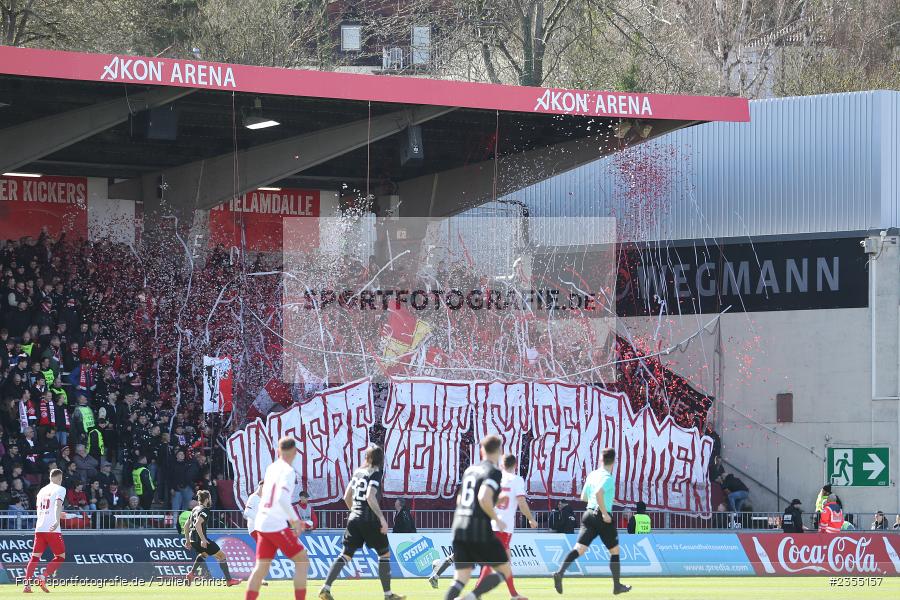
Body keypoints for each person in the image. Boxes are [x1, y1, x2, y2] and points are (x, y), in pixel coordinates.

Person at [319, 445, 404, 600]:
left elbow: (346, 497)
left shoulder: (357, 472)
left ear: (367, 457)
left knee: (345, 555)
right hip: (369, 519)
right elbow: (370, 497)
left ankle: (325, 588)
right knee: (384, 554)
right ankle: (388, 595)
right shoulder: (376, 473)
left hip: (354, 517)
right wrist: (382, 519)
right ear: (381, 459)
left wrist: (355, 512)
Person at [553, 448, 630, 596]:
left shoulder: (593, 474)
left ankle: (560, 572)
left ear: (600, 460)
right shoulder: (608, 477)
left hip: (588, 514)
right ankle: (616, 586)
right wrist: (605, 512)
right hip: (601, 517)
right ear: (614, 461)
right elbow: (598, 493)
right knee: (615, 551)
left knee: (579, 549)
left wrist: (603, 500)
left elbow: (584, 497)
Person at [442, 434, 511, 600]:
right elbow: (482, 498)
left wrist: (492, 501)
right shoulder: (494, 472)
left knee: (460, 578)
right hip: (478, 528)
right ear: (500, 451)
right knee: (504, 569)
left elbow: (461, 499)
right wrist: (496, 518)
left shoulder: (470, 470)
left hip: (459, 526)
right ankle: (472, 597)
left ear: (482, 450)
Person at [246, 436, 309, 600]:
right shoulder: (288, 471)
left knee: (261, 568)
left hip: (261, 522)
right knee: (302, 561)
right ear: (295, 452)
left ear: (278, 451)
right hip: (275, 523)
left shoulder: (271, 468)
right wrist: (295, 520)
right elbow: (281, 498)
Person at [470, 453, 537, 600]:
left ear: (502, 464)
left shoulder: (494, 478)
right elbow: (521, 501)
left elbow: (483, 498)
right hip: (503, 526)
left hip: (491, 523)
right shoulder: (516, 480)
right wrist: (531, 518)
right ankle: (475, 594)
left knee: (505, 561)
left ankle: (513, 594)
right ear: (515, 465)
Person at [23, 468, 69, 593]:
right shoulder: (60, 489)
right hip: (52, 529)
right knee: (60, 556)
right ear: (59, 478)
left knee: (35, 557)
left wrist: (59, 515)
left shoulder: (42, 491)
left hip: (40, 527)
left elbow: (42, 510)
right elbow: (57, 505)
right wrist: (57, 520)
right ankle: (43, 577)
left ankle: (27, 585)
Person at [184, 489, 240, 586]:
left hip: (193, 540)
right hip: (200, 539)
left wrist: (188, 540)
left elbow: (186, 525)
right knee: (222, 556)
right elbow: (197, 524)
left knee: (204, 554)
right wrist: (203, 539)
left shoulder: (194, 509)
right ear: (207, 499)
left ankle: (191, 574)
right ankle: (229, 580)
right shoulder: (205, 510)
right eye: (209, 497)